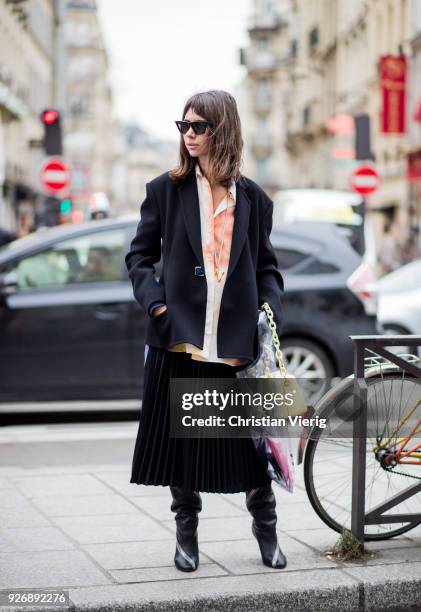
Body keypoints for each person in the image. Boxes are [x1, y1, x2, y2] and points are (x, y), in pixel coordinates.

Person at [125, 90, 286, 572]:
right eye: (183, 126)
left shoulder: (254, 199)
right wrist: (155, 304)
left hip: (236, 346)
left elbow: (268, 270)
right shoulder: (164, 191)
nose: (189, 135)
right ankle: (186, 535)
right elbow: (138, 257)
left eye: (198, 126)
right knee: (184, 450)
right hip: (180, 340)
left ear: (223, 130)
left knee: (254, 451)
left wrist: (268, 310)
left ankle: (267, 531)